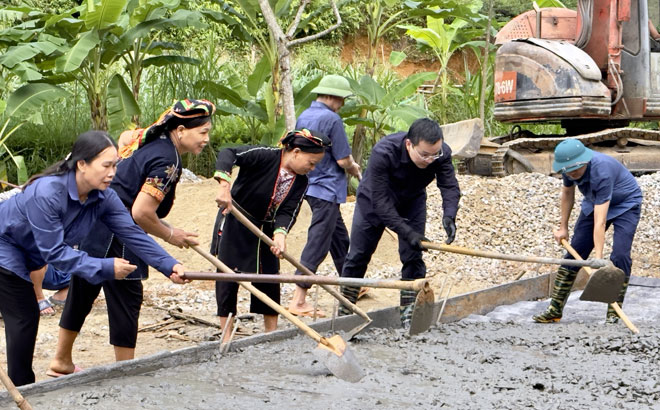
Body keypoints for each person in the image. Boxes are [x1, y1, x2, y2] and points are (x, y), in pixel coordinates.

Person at [0, 130, 187, 386]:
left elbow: (132, 232)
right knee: (24, 317)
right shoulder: (48, 193)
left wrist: (170, 265)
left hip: (30, 254)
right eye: (106, 165)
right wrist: (105, 266)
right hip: (6, 247)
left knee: (25, 317)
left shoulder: (103, 196)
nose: (112, 173)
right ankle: (23, 390)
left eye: (115, 165)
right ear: (82, 164)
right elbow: (54, 253)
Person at [49, 99, 213, 377]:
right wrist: (171, 235)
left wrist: (166, 227)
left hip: (95, 220)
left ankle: (61, 361)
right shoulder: (168, 160)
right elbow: (140, 212)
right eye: (203, 132)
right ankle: (126, 370)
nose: (207, 139)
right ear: (182, 130)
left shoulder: (153, 141)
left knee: (82, 291)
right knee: (127, 298)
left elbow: (139, 201)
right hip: (119, 229)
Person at [339, 118, 460, 328]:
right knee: (358, 255)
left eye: (435, 154)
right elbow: (381, 204)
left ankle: (410, 313)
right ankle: (345, 310)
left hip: (412, 200)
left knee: (413, 256)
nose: (430, 159)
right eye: (424, 155)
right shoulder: (384, 152)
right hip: (374, 201)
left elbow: (449, 186)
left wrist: (449, 215)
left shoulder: (440, 153)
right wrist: (407, 232)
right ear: (409, 145)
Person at [213, 129, 331, 340]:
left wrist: (280, 235)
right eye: (311, 162)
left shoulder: (301, 182)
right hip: (236, 220)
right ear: (295, 152)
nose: (312, 168)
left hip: (266, 229)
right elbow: (228, 152)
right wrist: (224, 185)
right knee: (227, 277)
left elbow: (288, 211)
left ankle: (271, 336)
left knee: (269, 278)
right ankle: (226, 335)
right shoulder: (264, 155)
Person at [532, 139, 642, 324]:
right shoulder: (569, 169)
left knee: (620, 255)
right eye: (569, 171)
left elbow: (600, 221)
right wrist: (563, 227)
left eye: (576, 170)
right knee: (574, 254)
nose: (573, 174)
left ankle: (613, 314)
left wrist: (598, 258)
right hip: (594, 202)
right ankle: (555, 309)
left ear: (585, 161)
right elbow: (568, 194)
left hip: (626, 204)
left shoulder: (602, 171)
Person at [286, 75, 361, 317]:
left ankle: (351, 285)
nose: (342, 104)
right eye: (341, 99)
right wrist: (355, 169)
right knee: (318, 240)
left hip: (310, 185)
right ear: (333, 97)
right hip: (327, 188)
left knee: (338, 237)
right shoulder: (332, 119)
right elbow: (342, 159)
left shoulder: (305, 115)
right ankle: (299, 298)